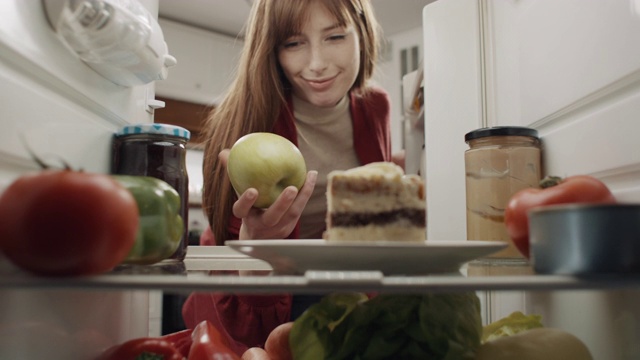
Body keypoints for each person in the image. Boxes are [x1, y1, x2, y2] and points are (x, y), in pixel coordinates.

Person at [182, 0, 393, 355]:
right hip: (249, 294)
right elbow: (242, 290)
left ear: (362, 32)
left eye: (335, 36)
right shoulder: (242, 119)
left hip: (337, 290)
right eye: (293, 43)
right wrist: (258, 245)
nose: (317, 64)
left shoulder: (377, 107)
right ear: (272, 49)